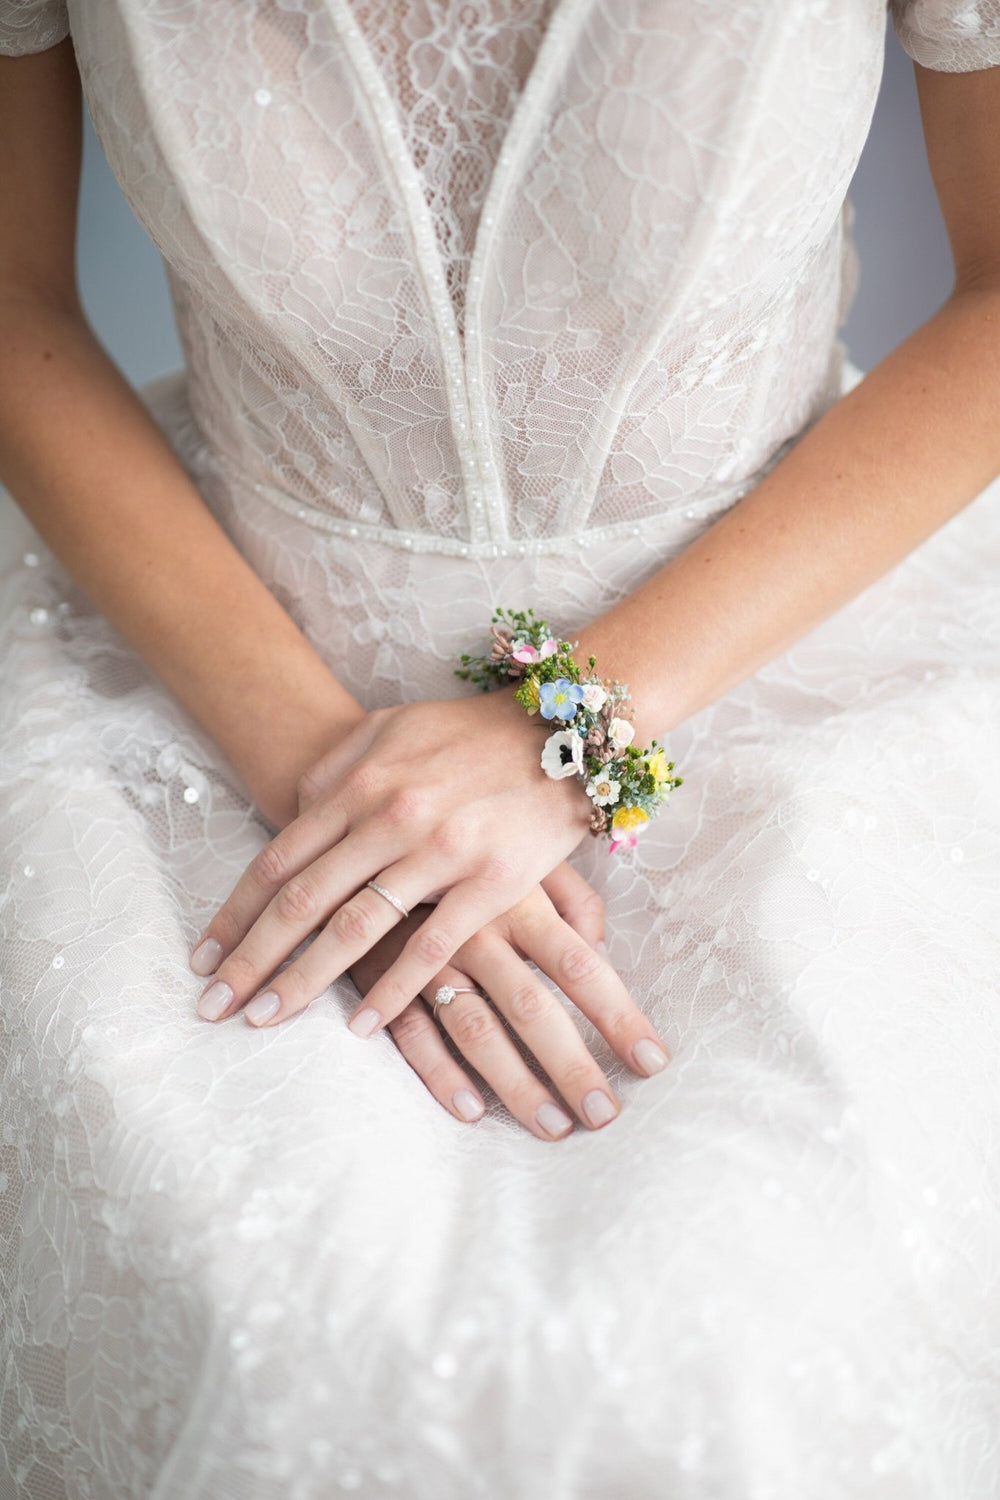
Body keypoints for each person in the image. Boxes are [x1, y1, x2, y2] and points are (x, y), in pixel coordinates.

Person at [2, 1, 999, 1495]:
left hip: (787, 621)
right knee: (272, 1305)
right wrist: (332, 776)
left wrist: (564, 734)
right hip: (209, 644)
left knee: (740, 1315)